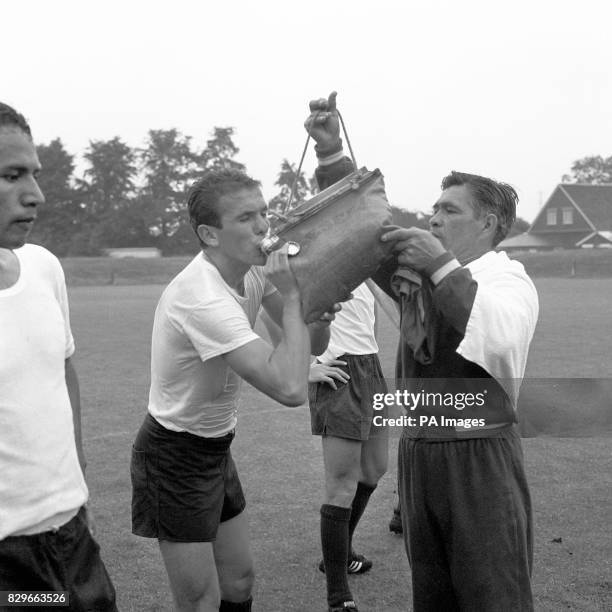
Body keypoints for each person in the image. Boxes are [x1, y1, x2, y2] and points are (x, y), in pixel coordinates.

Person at [305, 93, 539, 611]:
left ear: (490, 224)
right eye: (434, 207)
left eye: (449, 210)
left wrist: (439, 266)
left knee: (492, 592)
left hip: (479, 457)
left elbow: (498, 338)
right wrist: (331, 156)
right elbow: (365, 229)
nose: (433, 219)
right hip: (418, 453)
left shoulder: (508, 279)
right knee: (432, 594)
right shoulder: (417, 275)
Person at [130, 168, 335, 612]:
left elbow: (308, 346)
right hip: (174, 455)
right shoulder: (201, 296)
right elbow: (288, 387)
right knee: (201, 601)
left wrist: (318, 309)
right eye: (246, 218)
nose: (264, 226)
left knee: (239, 583)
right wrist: (297, 301)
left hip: (216, 446)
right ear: (210, 234)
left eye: (263, 213)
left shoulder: (253, 273)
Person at [0, 103, 117, 609]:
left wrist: (78, 481)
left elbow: (61, 369)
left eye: (34, 174)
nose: (36, 195)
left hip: (72, 537)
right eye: (10, 175)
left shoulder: (44, 267)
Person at [308, 282, 388, 612]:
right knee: (341, 485)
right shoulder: (324, 264)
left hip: (370, 367)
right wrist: (305, 368)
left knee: (373, 470)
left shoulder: (364, 266)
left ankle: (340, 553)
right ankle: (338, 596)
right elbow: (278, 315)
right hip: (339, 369)